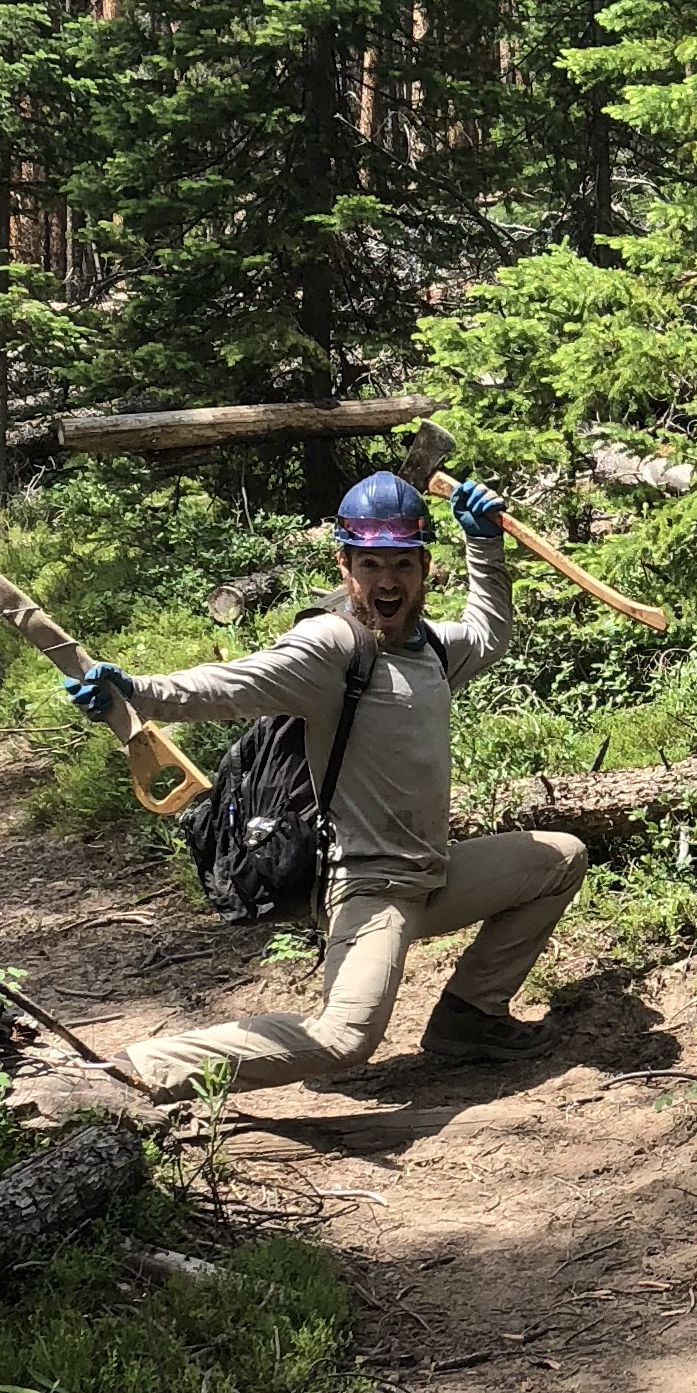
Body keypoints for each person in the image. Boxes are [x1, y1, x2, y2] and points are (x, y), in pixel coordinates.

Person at [67, 468, 588, 1096]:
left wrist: (484, 546)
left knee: (560, 857)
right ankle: (132, 1073)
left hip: (431, 875)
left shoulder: (432, 650)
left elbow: (487, 634)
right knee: (343, 1038)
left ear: (425, 568)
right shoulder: (332, 647)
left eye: (401, 563)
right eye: (371, 564)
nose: (387, 581)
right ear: (345, 567)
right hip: (368, 887)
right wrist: (138, 692)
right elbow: (235, 684)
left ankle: (470, 1017)